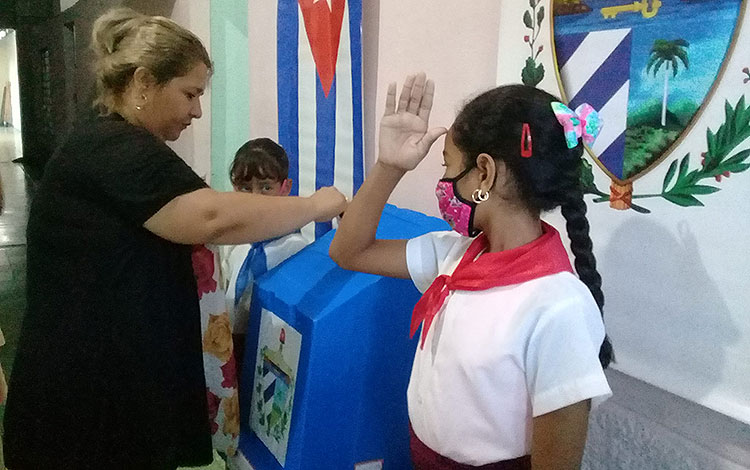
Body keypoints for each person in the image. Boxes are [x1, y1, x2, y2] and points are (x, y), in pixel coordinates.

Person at [2, 8, 346, 470]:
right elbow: (211, 216)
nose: (196, 111)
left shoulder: (111, 140)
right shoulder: (115, 147)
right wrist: (316, 206)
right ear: (144, 82)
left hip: (106, 384)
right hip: (86, 400)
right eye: (189, 93)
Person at [329, 73, 612, 469]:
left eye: (448, 166)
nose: (444, 183)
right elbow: (348, 251)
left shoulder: (558, 306)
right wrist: (388, 166)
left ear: (484, 173)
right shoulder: (456, 256)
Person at [221, 137, 310, 372]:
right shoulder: (232, 241)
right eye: (244, 188)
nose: (254, 198)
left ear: (286, 188)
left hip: (271, 352)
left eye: (266, 188)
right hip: (229, 345)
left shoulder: (296, 248)